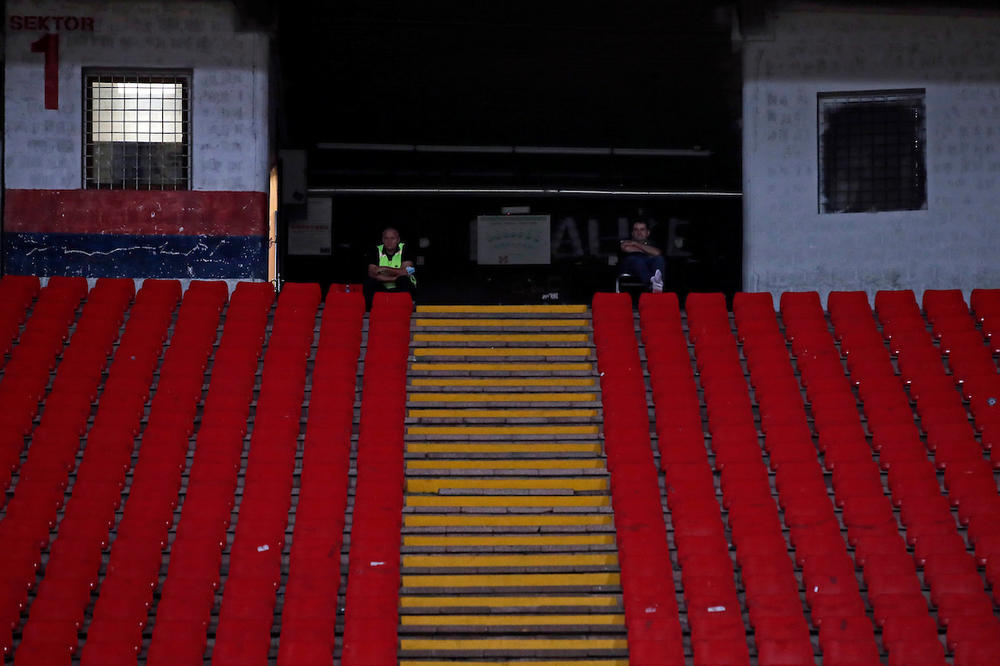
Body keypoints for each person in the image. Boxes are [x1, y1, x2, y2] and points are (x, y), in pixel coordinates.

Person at [364, 227, 417, 309]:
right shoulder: (376, 250)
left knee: (404, 280)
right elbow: (371, 273)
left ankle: (404, 307)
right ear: (382, 240)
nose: (389, 241)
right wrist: (395, 277)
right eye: (386, 238)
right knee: (370, 283)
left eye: (392, 238)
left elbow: (408, 272)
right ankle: (374, 310)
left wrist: (384, 269)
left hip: (401, 287)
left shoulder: (406, 249)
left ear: (398, 240)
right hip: (383, 288)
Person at [619, 220, 665, 293]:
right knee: (636, 260)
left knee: (659, 259)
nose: (639, 232)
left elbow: (657, 253)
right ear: (632, 233)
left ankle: (657, 284)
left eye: (642, 229)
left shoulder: (652, 243)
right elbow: (626, 248)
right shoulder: (626, 241)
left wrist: (636, 244)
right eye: (636, 230)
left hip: (647, 266)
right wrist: (649, 252)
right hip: (630, 268)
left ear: (648, 233)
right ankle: (653, 283)